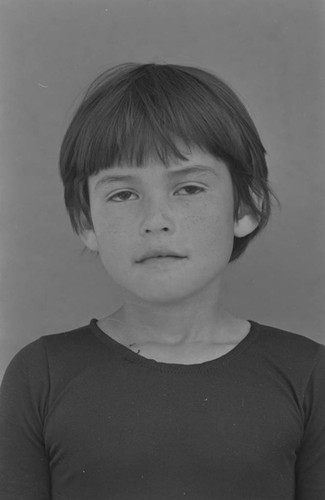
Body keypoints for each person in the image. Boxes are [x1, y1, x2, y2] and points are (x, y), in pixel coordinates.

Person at [0, 62, 324, 500]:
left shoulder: (309, 375)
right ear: (85, 221)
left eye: (188, 188)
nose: (155, 221)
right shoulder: (41, 377)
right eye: (123, 194)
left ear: (246, 206)